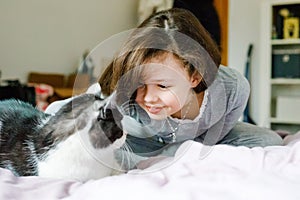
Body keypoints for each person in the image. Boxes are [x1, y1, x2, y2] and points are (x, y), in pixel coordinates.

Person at [46, 8, 282, 169]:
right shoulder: (125, 90)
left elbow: (218, 135)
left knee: (269, 141)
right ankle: (170, 156)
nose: (148, 98)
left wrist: (193, 149)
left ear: (194, 76)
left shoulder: (233, 90)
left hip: (199, 139)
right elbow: (63, 110)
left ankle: (177, 154)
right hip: (138, 142)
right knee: (98, 152)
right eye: (141, 84)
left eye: (162, 85)